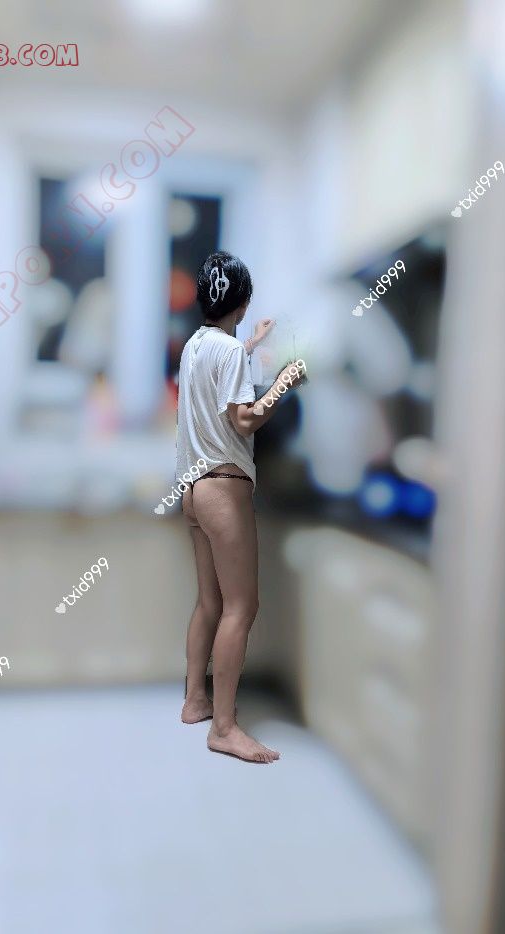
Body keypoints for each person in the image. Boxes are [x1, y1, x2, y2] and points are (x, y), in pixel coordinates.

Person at [176, 251, 304, 763]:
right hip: (224, 488)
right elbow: (245, 420)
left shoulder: (195, 346)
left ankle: (195, 701)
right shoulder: (228, 351)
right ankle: (224, 728)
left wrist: (251, 344)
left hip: (192, 491)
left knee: (210, 602)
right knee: (241, 608)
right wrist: (285, 380)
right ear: (244, 302)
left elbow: (219, 373)